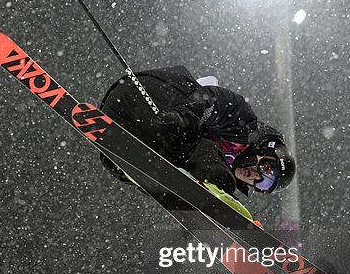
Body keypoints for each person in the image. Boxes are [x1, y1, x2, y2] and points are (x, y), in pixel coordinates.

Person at [99, 68, 295, 198]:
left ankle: (126, 166)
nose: (256, 177)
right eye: (267, 170)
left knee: (189, 166)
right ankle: (211, 191)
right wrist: (182, 117)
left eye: (263, 185)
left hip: (121, 123)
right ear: (269, 151)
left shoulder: (221, 166)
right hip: (147, 96)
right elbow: (211, 100)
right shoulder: (243, 127)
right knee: (204, 156)